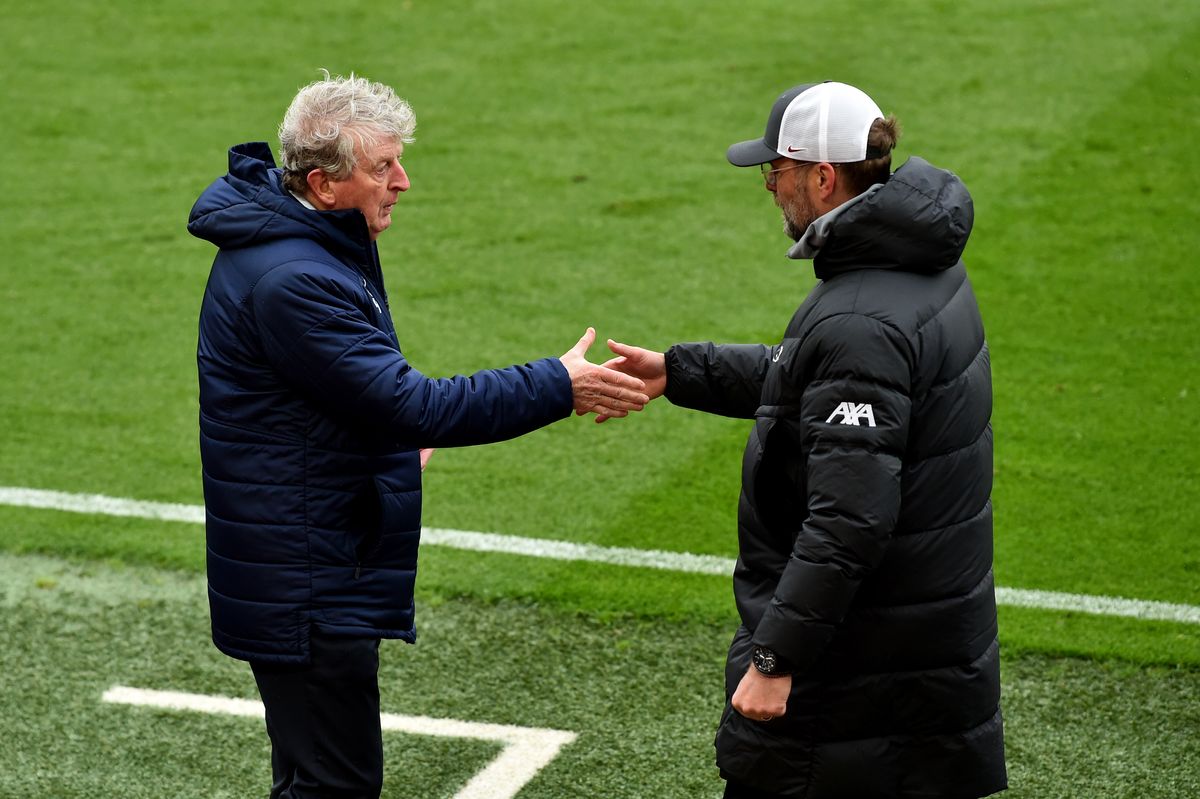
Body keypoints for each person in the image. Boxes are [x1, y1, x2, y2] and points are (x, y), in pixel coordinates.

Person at [187, 72, 648, 798]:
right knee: (334, 784)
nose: (403, 181)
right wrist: (561, 384)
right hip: (306, 575)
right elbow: (413, 404)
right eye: (382, 167)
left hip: (308, 555)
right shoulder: (294, 277)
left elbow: (335, 399)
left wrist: (386, 438)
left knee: (312, 776)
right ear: (323, 182)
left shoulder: (301, 240)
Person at [603, 81, 1006, 798]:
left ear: (822, 176)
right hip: (911, 660)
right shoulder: (921, 265)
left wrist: (775, 657)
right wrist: (683, 371)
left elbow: (849, 519)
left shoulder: (858, 316)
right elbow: (824, 385)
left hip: (851, 688)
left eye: (776, 170)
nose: (770, 187)